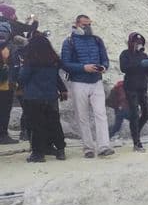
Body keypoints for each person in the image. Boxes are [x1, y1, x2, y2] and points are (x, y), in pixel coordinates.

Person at [60, 14, 113, 158]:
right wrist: (84, 67)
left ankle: (104, 146)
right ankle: (88, 147)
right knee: (82, 116)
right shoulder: (69, 42)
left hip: (96, 81)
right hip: (79, 82)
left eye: (89, 24)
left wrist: (103, 67)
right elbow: (65, 64)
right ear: (76, 24)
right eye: (84, 25)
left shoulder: (97, 40)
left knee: (101, 114)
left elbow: (105, 59)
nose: (88, 27)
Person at [18, 33, 67, 162]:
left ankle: (38, 154)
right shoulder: (53, 61)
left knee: (36, 125)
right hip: (50, 96)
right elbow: (56, 78)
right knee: (54, 123)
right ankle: (60, 150)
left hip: (33, 97)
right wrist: (62, 89)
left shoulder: (31, 61)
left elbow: (22, 78)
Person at [119, 32, 148, 152]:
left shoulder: (144, 55)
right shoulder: (125, 54)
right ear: (131, 43)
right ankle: (136, 142)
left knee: (147, 113)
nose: (138, 44)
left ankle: (136, 131)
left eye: (140, 43)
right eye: (136, 42)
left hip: (142, 87)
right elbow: (124, 68)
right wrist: (139, 64)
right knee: (134, 114)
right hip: (131, 87)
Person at [0, 19, 17, 144]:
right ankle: (3, 135)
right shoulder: (11, 46)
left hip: (6, 82)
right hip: (6, 84)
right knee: (5, 109)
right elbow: (15, 65)